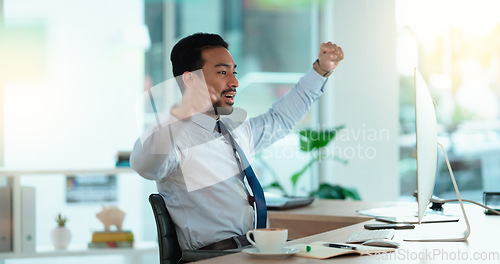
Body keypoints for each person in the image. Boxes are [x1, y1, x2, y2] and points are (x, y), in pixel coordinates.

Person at [130, 32, 343, 251]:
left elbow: (279, 119)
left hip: (251, 249)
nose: (235, 82)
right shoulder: (174, 138)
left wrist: (320, 71)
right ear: (191, 79)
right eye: (223, 72)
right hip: (216, 257)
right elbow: (144, 164)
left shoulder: (234, 129)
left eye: (234, 72)